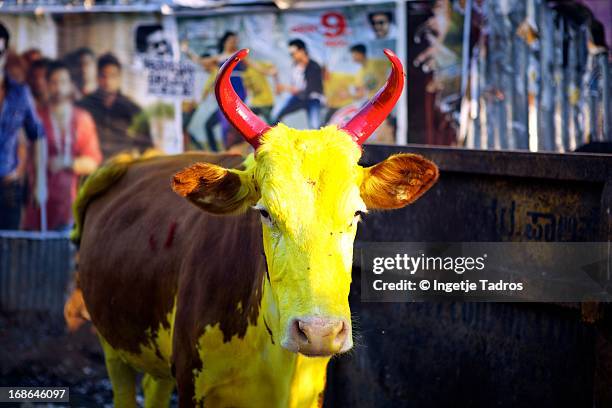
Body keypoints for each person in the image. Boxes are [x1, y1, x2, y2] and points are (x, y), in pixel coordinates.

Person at [23, 61, 102, 231]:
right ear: (47, 85)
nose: (58, 88)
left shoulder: (82, 119)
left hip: (68, 205)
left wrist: (67, 162)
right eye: (54, 82)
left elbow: (93, 163)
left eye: (63, 82)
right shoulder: (37, 116)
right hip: (37, 201)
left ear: (71, 85)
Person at [0, 21, 45, 230]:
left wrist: (40, 182)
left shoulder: (20, 93)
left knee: (8, 253)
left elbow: (38, 134)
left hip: (9, 186)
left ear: (6, 54)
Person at [77, 52, 151, 158]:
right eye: (103, 76)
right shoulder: (84, 107)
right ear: (97, 77)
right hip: (92, 168)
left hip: (124, 168)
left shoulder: (133, 110)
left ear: (120, 77)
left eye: (113, 76)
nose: (108, 81)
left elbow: (146, 147)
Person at [273, 39, 324, 129]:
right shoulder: (295, 66)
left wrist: (286, 88)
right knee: (276, 115)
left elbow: (310, 88)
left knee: (315, 126)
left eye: (294, 53)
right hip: (298, 98)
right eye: (291, 54)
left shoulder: (314, 66)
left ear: (302, 51)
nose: (292, 55)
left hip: (313, 98)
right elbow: (295, 86)